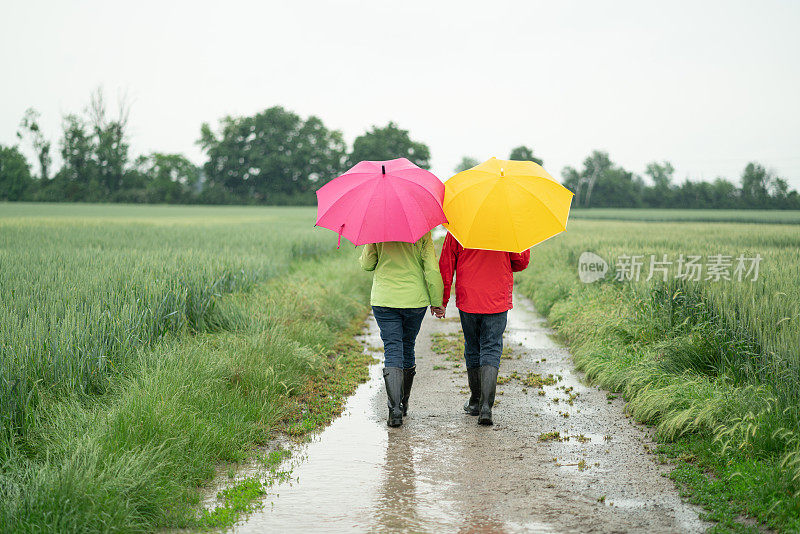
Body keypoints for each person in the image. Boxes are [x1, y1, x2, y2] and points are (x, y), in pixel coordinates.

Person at [438, 232, 530, 425]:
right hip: (496, 298)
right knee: (491, 348)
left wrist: (442, 299)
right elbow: (520, 262)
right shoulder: (507, 225)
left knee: (472, 347)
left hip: (469, 298)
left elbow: (446, 264)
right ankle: (486, 407)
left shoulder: (460, 224)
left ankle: (475, 402)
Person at [360, 232, 444, 427]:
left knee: (392, 349)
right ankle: (403, 403)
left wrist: (371, 243)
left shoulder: (377, 230)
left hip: (384, 300)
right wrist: (437, 301)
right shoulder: (422, 232)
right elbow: (431, 269)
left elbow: (366, 265)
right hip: (414, 301)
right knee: (408, 346)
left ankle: (394, 410)